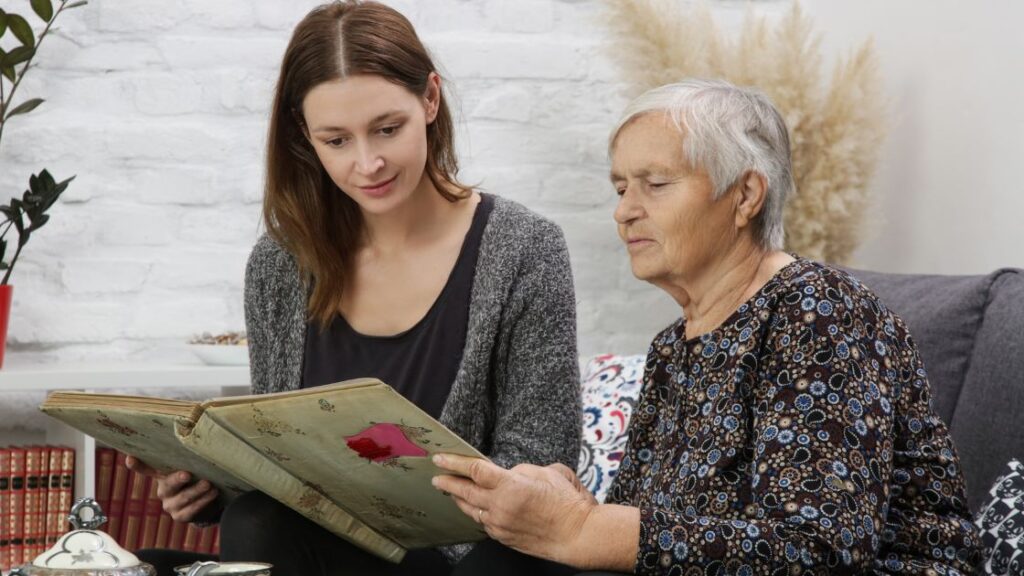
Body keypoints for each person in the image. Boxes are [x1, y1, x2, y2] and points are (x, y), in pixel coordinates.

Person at [433, 78, 982, 575]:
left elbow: (818, 548)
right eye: (622, 188)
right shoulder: (674, 347)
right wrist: (568, 503)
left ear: (745, 195)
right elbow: (649, 534)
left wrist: (583, 527)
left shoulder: (820, 311)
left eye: (655, 183)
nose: (624, 211)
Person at [127, 2, 581, 575]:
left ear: (431, 100)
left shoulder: (524, 249)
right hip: (332, 549)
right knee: (236, 527)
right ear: (304, 134)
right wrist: (214, 492)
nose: (368, 163)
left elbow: (544, 458)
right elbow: (281, 461)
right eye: (336, 140)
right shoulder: (279, 265)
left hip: (468, 557)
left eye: (387, 129)